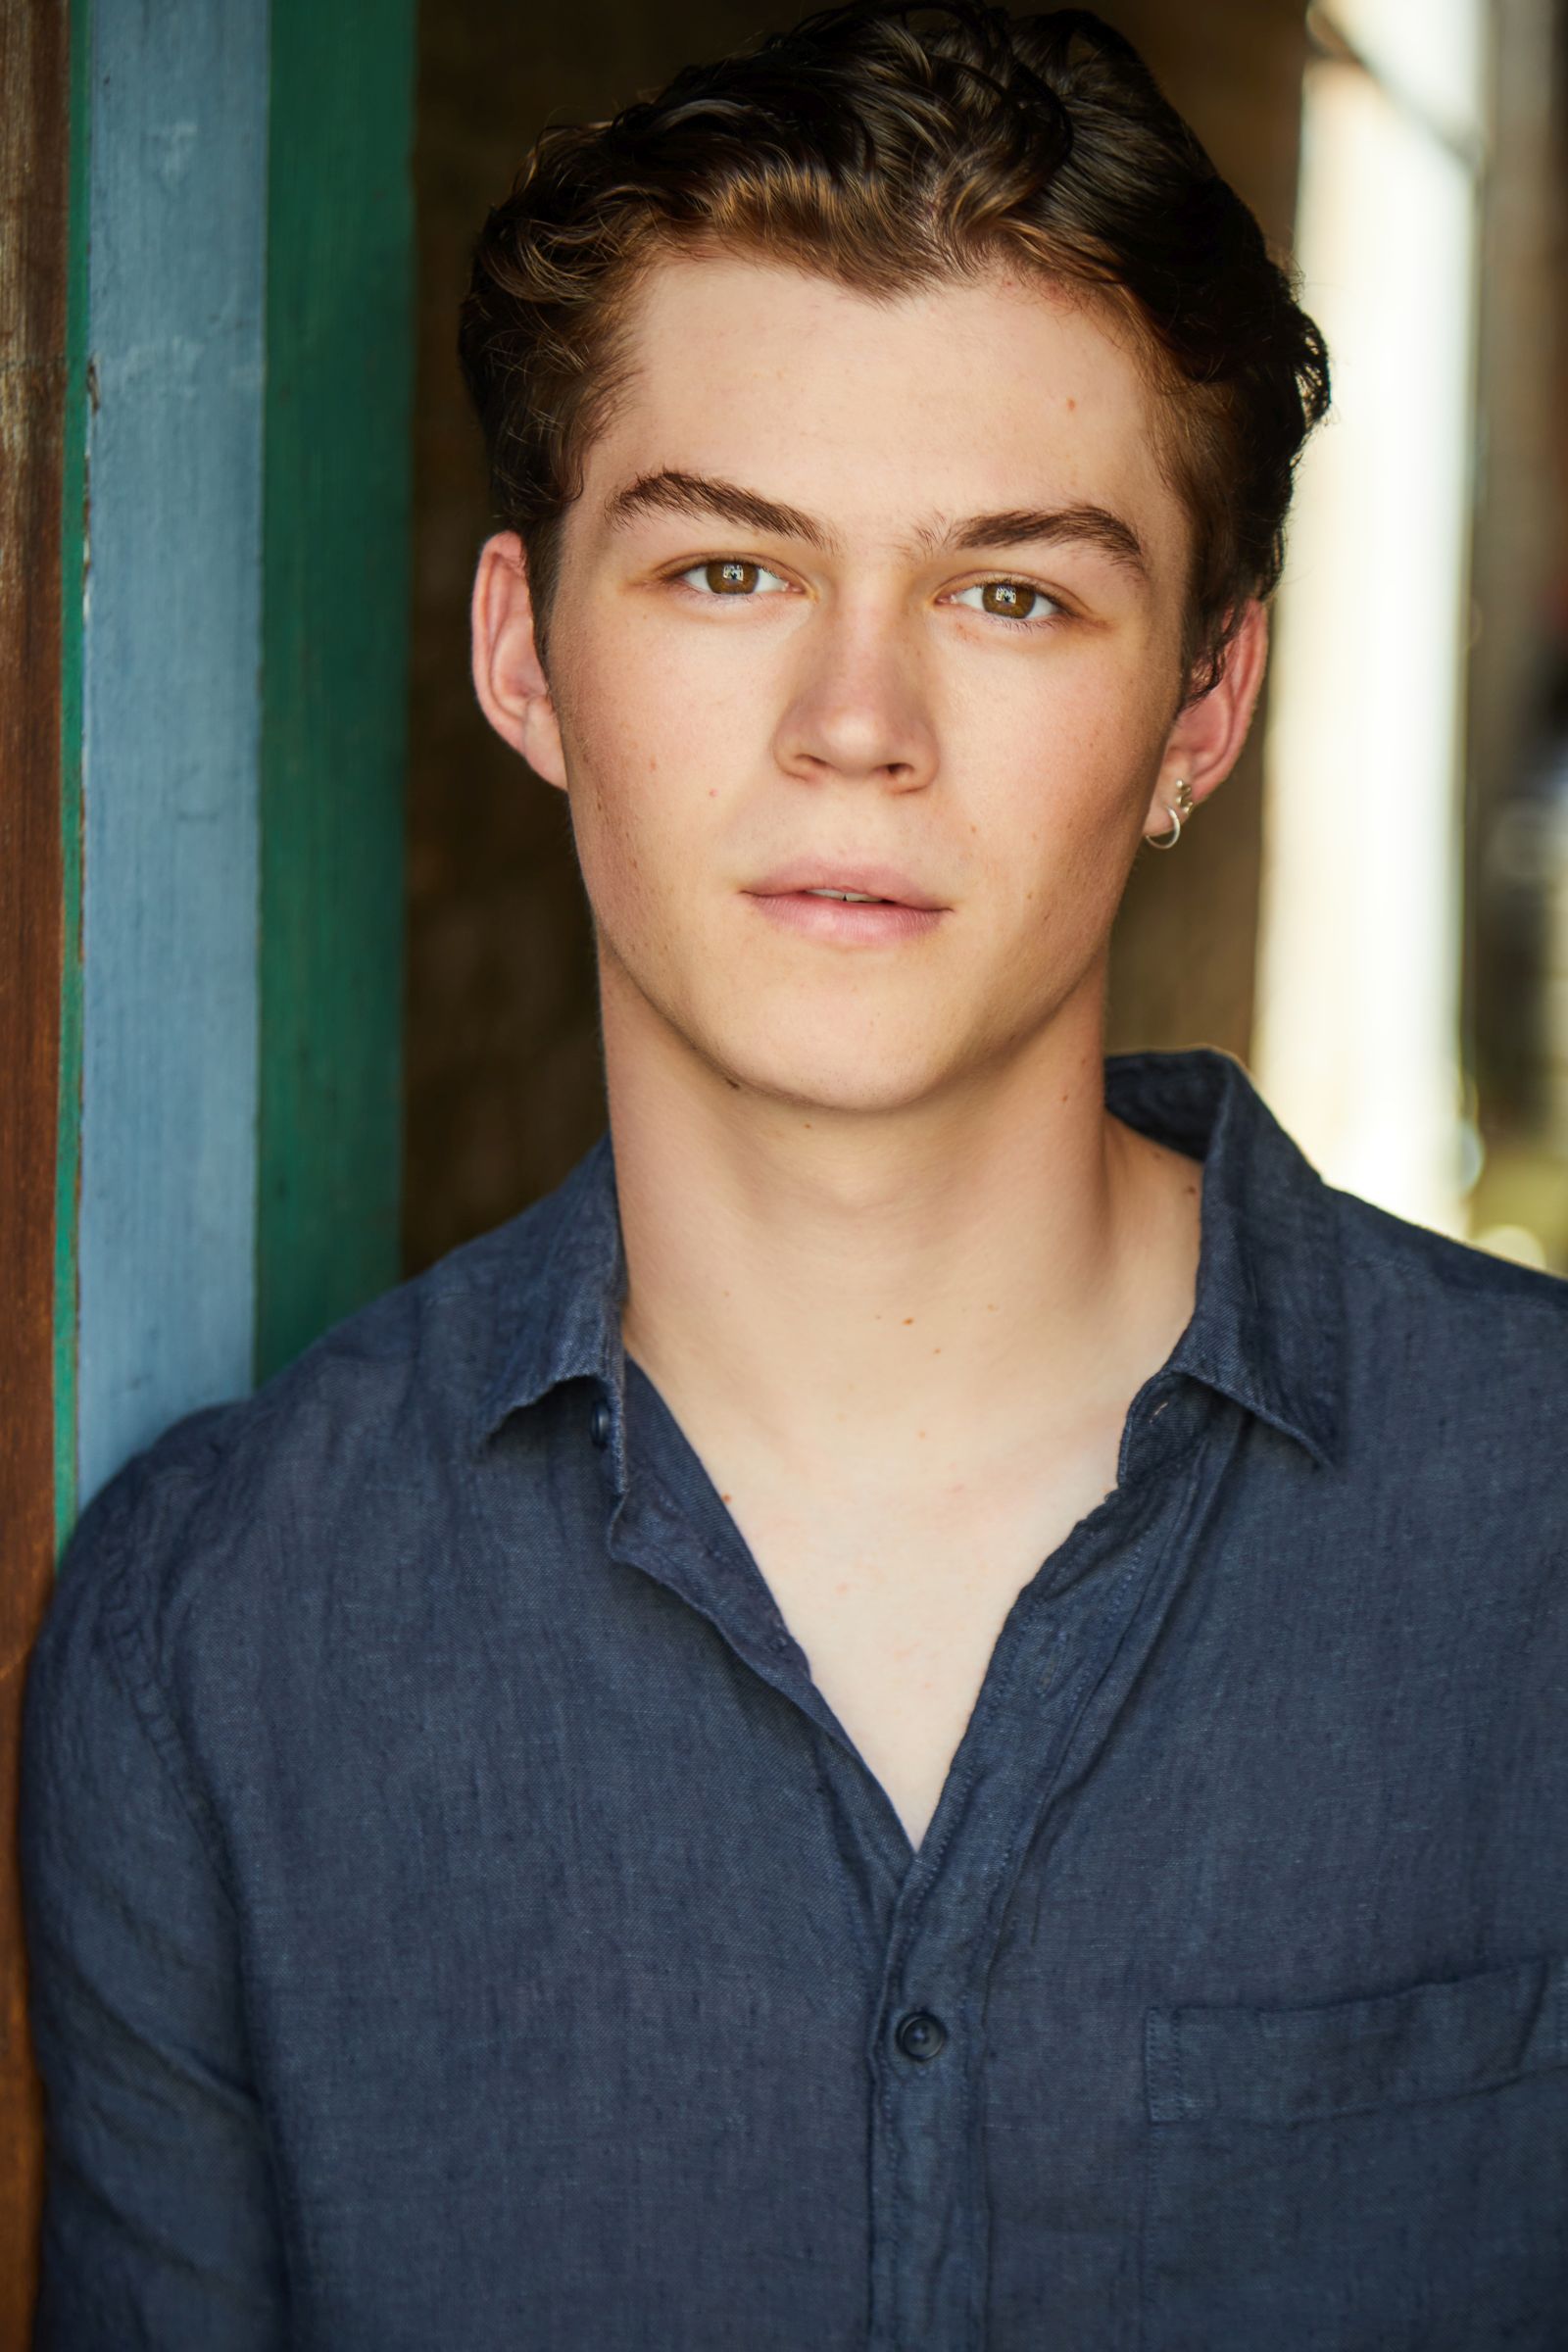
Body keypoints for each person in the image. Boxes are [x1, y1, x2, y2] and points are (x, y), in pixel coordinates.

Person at [20, 4, 1568, 2345]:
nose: (858, 724)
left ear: (1202, 710)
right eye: (728, 573)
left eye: (1008, 592)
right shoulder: (212, 1653)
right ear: (526, 658)